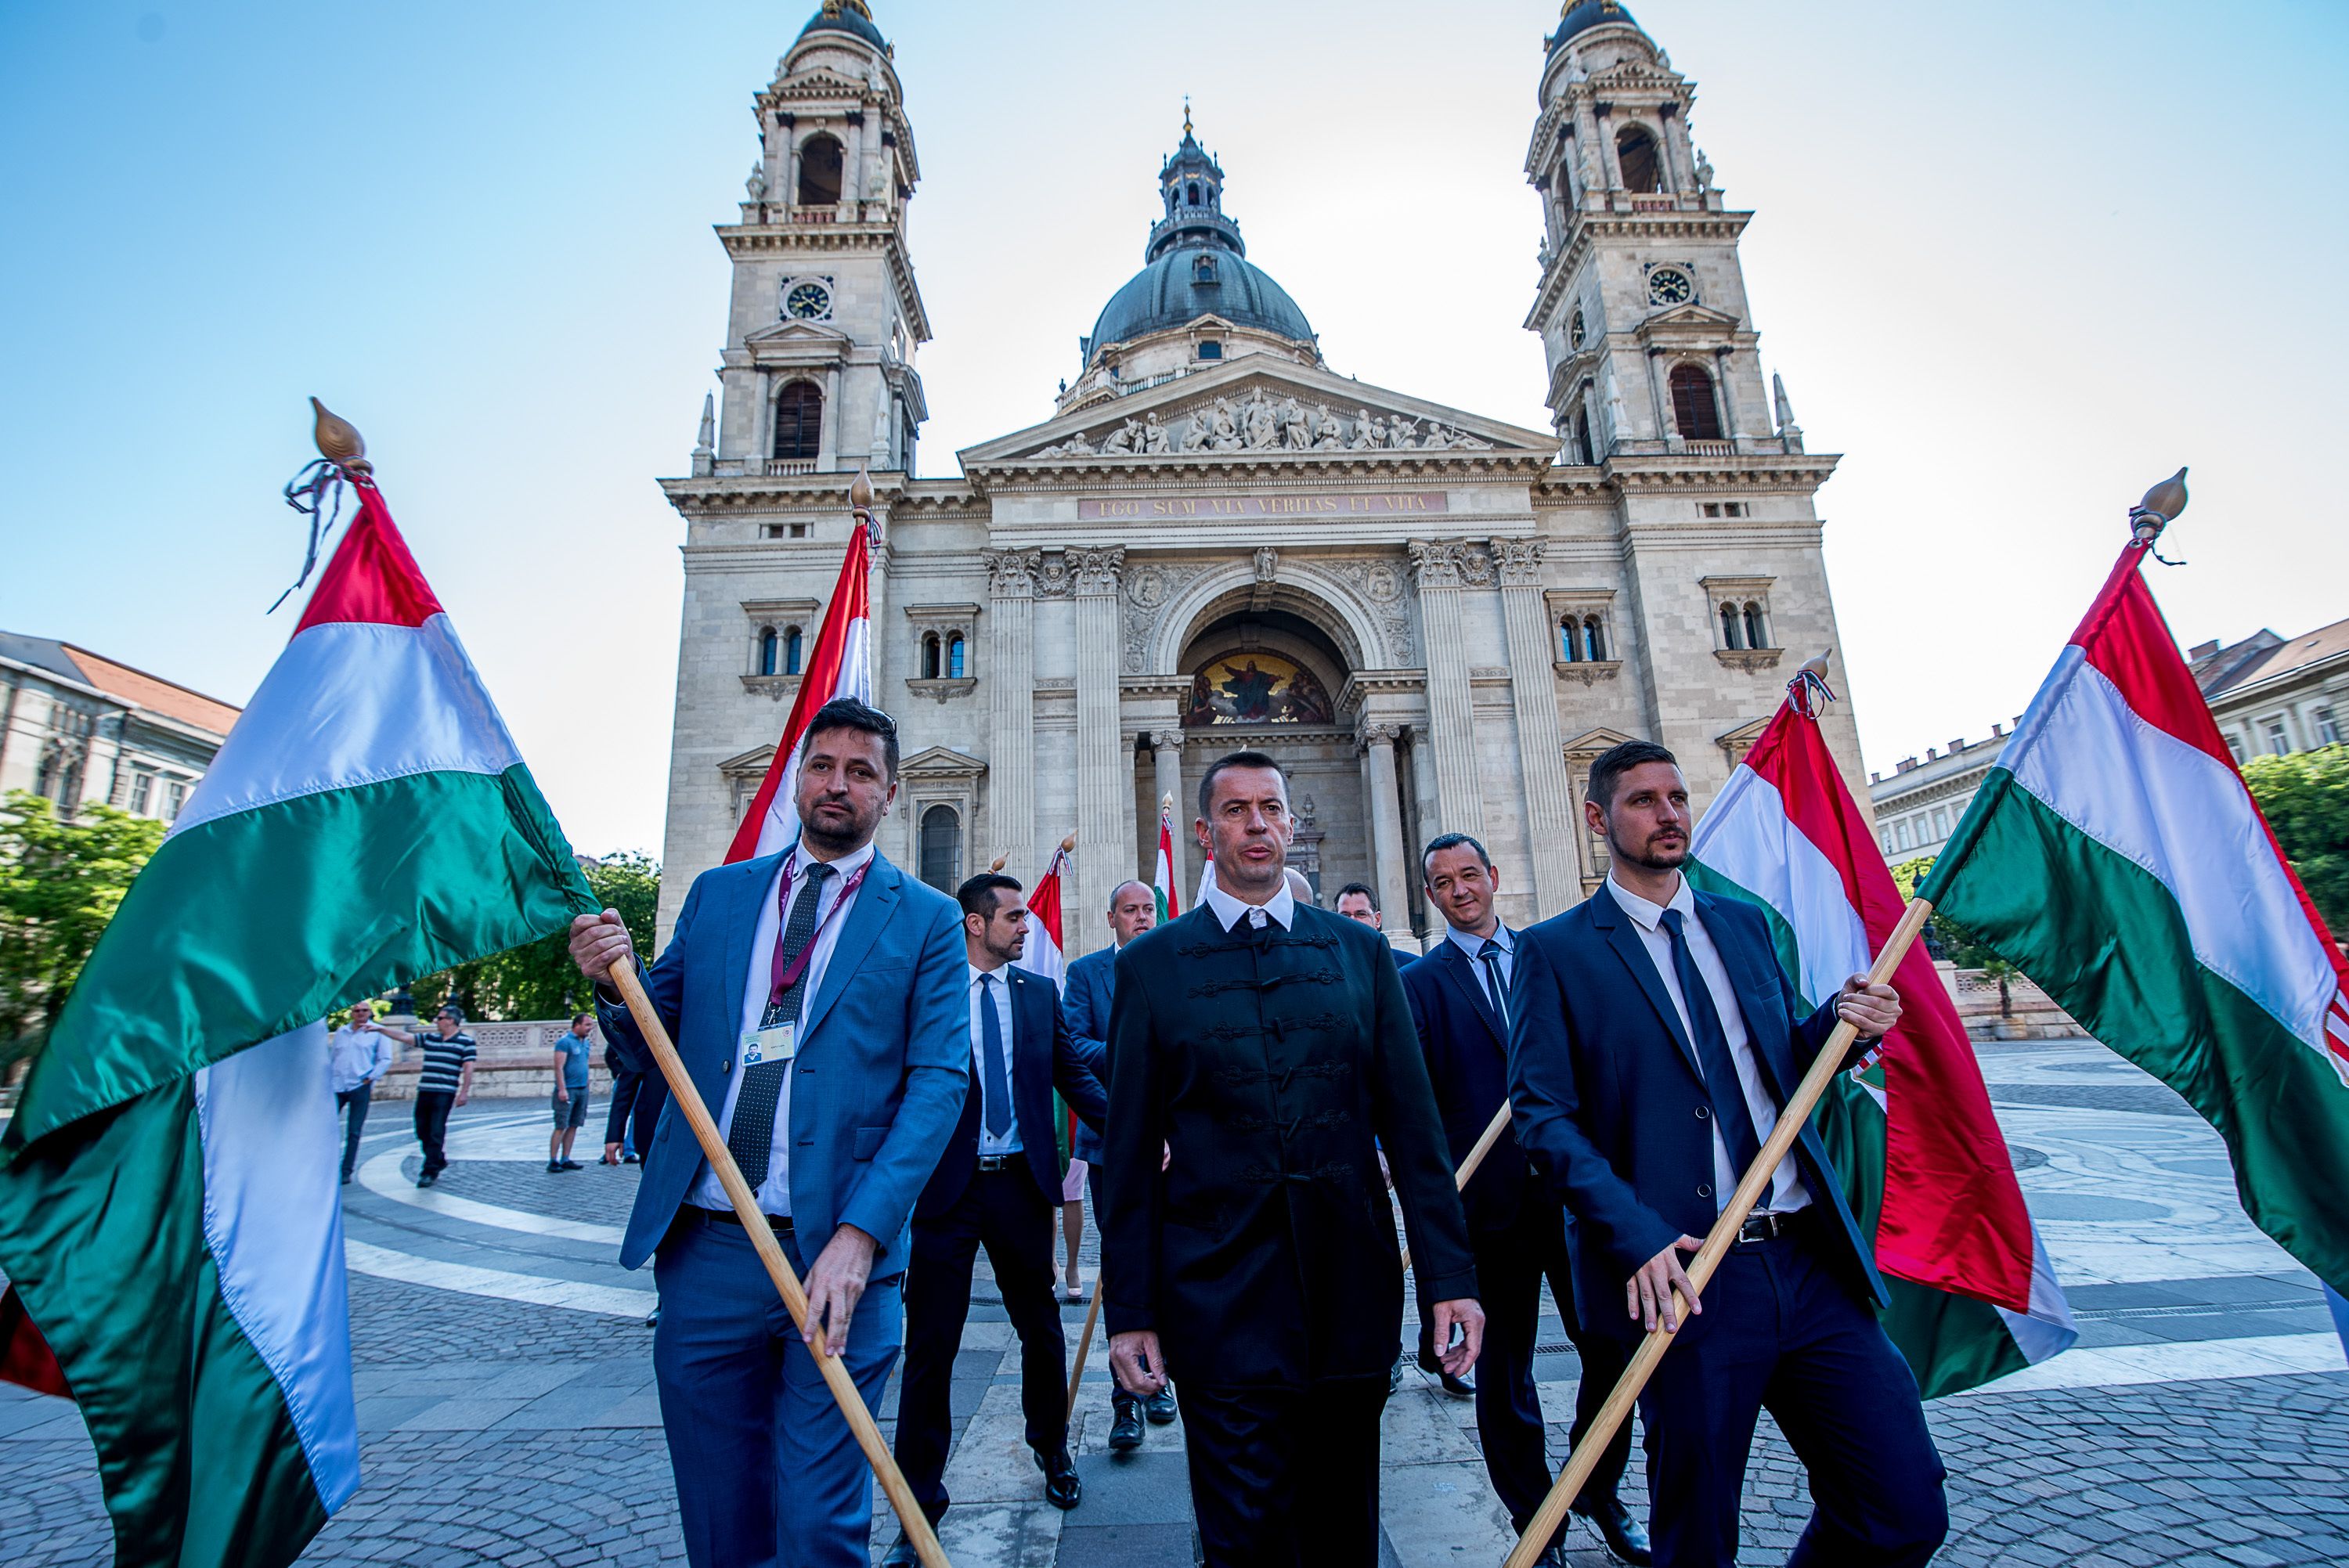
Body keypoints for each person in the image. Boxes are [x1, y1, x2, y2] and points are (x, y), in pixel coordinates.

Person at [1509, 741, 1945, 1568]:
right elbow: (1543, 1116)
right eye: (1643, 800)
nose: (1668, 813)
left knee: (1903, 1501)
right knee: (1698, 1534)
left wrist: (1845, 1026)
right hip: (1685, 1279)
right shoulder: (1557, 949)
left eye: (1676, 796)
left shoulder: (1742, 926)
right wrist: (1633, 1233)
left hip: (1808, 1259)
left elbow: (1776, 1066)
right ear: (1598, 818)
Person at [567, 697, 968, 1568]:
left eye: (861, 771)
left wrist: (862, 1235)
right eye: (823, 765)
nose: (838, 784)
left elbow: (939, 1082)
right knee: (721, 1524)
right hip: (709, 1248)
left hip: (839, 1261)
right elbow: (648, 1041)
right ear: (795, 778)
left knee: (821, 1528)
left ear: (891, 794)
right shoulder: (718, 896)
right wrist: (610, 980)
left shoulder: (928, 918)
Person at [1102, 749, 1484, 1566]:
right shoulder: (1150, 967)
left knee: (1345, 1528)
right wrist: (1130, 1310)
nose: (1257, 824)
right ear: (1206, 832)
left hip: (1351, 1292)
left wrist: (1451, 1281)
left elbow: (1416, 1133)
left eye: (1271, 808)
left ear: (1290, 821)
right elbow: (1128, 1157)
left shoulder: (1360, 952)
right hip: (1217, 1300)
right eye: (1237, 810)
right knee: (1245, 1538)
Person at [1402, 834, 1647, 1566]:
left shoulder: (1553, 956)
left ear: (1494, 877)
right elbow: (1415, 1105)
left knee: (1611, 1348)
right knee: (1503, 1373)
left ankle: (1596, 1485)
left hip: (1577, 1199)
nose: (1460, 890)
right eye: (1443, 882)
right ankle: (1535, 1518)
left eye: (1470, 874)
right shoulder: (1421, 984)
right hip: (1488, 1205)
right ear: (1432, 896)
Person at [886, 874, 1108, 1558]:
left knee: (1041, 1327)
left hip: (1019, 1183)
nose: (1026, 926)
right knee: (930, 1345)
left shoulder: (1037, 994)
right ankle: (918, 1496)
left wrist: (1135, 1132)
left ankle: (1052, 1449)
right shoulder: (928, 988)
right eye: (1014, 916)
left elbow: (1075, 1078)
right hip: (946, 1192)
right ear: (975, 924)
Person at [1060, 877, 1174, 1451]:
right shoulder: (1085, 974)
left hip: (1177, 1148)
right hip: (1112, 1147)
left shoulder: (1179, 964)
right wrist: (1136, 1051)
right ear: (1112, 919)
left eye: (1148, 908)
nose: (1141, 917)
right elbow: (1073, 1045)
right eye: (1130, 910)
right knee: (1123, 1264)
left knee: (1174, 1259)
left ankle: (1161, 1378)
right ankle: (1122, 1399)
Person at [368, 1004, 475, 1188]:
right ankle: (438, 1158)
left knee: (436, 1130)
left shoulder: (466, 1042)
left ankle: (429, 1170)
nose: (436, 1021)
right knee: (421, 1129)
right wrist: (381, 1029)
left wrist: (464, 1092)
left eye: (440, 1018)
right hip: (425, 1090)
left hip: (445, 1092)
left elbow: (469, 1068)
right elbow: (405, 1037)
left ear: (451, 1021)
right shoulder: (431, 1039)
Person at [328, 1002, 394, 1186]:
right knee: (328, 1128)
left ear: (370, 1013)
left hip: (360, 1085)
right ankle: (327, 1166)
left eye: (364, 1010)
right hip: (337, 1085)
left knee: (354, 1131)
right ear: (352, 1013)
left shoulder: (378, 1031)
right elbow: (333, 1057)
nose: (360, 1014)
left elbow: (385, 1058)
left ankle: (346, 1170)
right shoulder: (342, 1032)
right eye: (356, 1011)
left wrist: (370, 1077)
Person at [549, 1011, 595, 1173]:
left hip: (582, 1089)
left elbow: (585, 1064)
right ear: (577, 1025)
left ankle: (566, 1157)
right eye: (587, 1025)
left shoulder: (586, 1043)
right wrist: (562, 1089)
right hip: (568, 1090)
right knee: (561, 1125)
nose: (590, 1028)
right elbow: (559, 1067)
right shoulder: (564, 1042)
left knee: (574, 1125)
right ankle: (553, 1160)